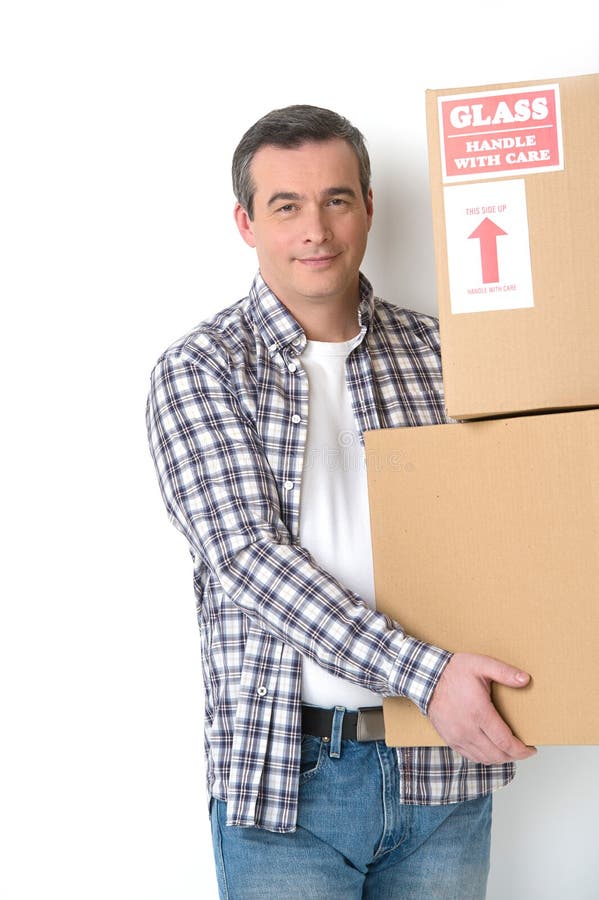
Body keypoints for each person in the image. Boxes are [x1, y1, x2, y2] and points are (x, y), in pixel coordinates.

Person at [146, 104, 536, 899]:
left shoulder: (447, 357)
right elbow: (249, 562)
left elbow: (521, 515)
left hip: (443, 770)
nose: (314, 228)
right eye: (285, 206)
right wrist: (425, 675)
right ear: (245, 223)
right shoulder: (201, 369)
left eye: (335, 199)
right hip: (288, 779)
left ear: (367, 207)